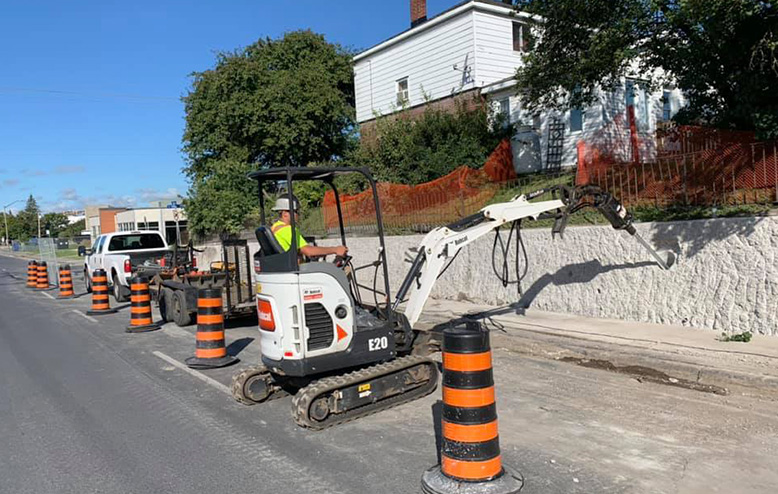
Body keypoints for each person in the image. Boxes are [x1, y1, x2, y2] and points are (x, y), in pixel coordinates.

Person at [271, 196, 348, 259]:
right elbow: (308, 251)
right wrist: (335, 249)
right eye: (296, 211)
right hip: (296, 270)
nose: (298, 214)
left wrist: (323, 251)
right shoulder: (287, 230)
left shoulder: (274, 227)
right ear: (285, 213)